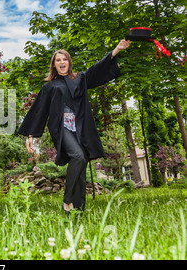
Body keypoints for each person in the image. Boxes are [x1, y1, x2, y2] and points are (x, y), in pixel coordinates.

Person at [18, 40, 131, 214]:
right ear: (54, 65)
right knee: (78, 156)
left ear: (69, 62)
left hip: (81, 127)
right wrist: (30, 136)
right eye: (58, 60)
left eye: (65, 59)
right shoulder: (49, 87)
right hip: (62, 128)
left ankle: (77, 210)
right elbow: (39, 110)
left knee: (82, 162)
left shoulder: (79, 79)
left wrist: (116, 50)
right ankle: (67, 200)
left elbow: (96, 70)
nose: (62, 62)